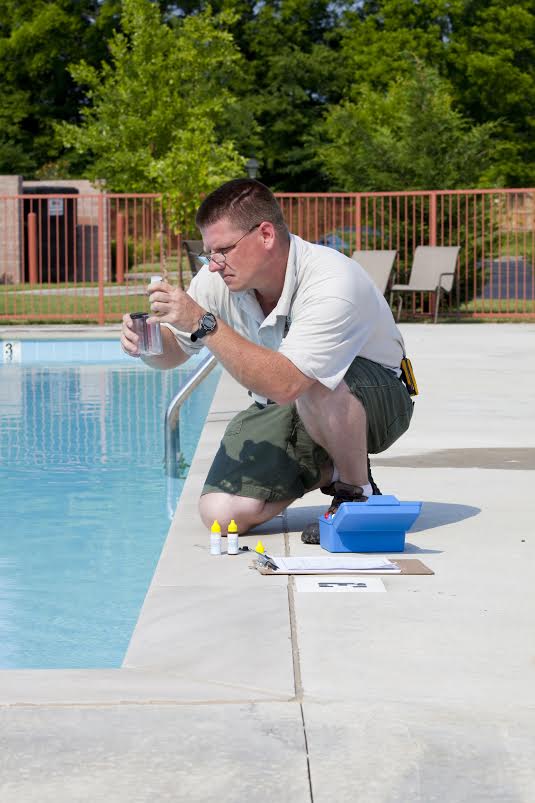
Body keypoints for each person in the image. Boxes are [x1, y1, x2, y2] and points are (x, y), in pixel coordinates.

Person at [120, 179, 414, 543]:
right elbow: (176, 351)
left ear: (266, 234)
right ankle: (326, 465)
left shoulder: (331, 280)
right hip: (288, 404)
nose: (213, 265)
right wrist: (147, 345)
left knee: (316, 382)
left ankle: (355, 491)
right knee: (221, 516)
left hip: (375, 401)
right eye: (208, 253)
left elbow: (288, 382)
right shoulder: (218, 279)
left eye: (223, 250)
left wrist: (203, 322)